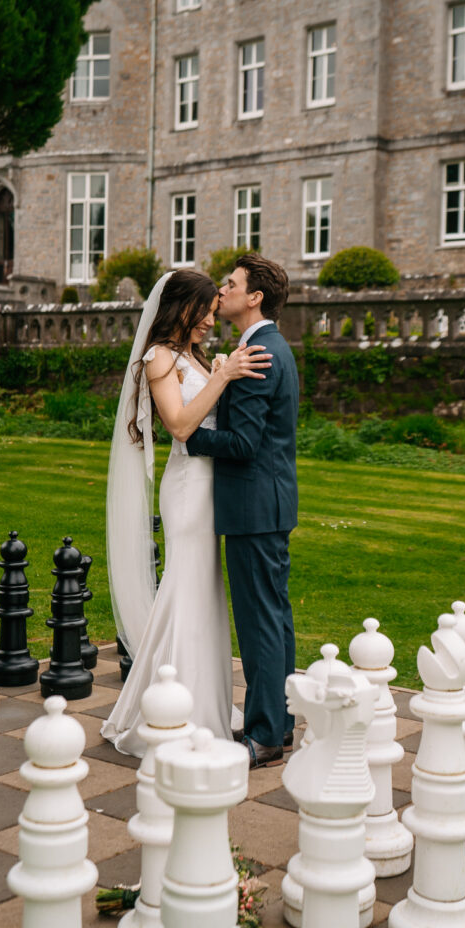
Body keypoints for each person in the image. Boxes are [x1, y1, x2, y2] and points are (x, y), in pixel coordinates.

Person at [101, 268, 270, 757]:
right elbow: (179, 425)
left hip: (210, 487)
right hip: (188, 488)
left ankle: (202, 704)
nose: (210, 322)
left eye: (214, 313)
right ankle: (175, 711)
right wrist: (219, 377)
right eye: (205, 313)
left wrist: (215, 373)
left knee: (205, 593)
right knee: (187, 589)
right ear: (183, 308)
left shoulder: (188, 356)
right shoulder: (158, 356)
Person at [185, 254, 299, 769]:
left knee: (260, 625)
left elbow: (244, 442)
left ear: (254, 297)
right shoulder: (264, 347)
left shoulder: (258, 355)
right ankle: (280, 721)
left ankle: (264, 736)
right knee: (274, 618)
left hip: (254, 505)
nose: (221, 292)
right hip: (268, 504)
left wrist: (189, 438)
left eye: (230, 284)